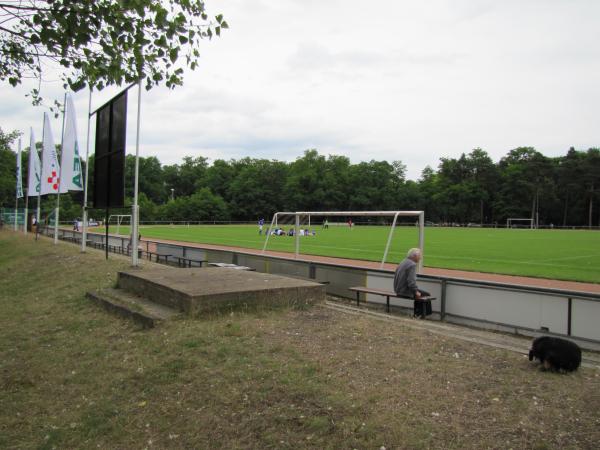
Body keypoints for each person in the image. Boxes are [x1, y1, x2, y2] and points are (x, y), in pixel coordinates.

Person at [393, 248, 432, 318]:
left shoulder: (403, 261)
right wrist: (416, 292)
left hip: (397, 289)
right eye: (419, 256)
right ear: (414, 256)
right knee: (427, 295)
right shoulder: (412, 265)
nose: (420, 258)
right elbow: (411, 282)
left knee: (421, 293)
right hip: (404, 291)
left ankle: (418, 314)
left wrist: (416, 290)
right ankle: (419, 315)